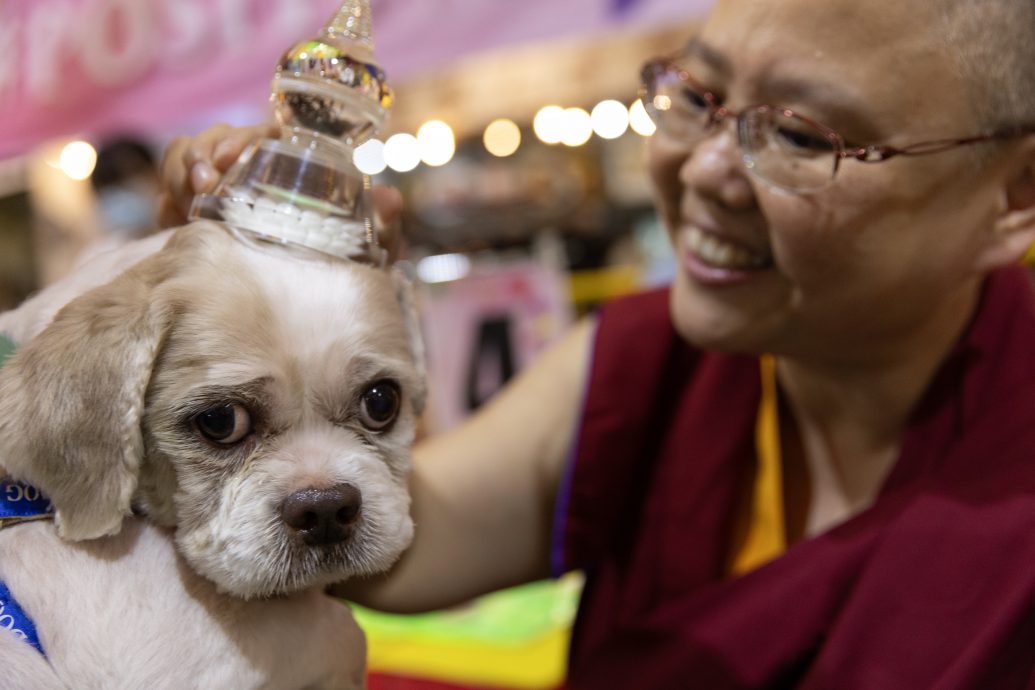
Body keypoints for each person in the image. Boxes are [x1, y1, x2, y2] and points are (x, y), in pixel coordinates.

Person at [158, 0, 1035, 686]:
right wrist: (298, 333)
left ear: (1012, 195)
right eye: (696, 96)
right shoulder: (649, 362)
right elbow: (391, 546)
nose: (700, 170)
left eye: (801, 136)